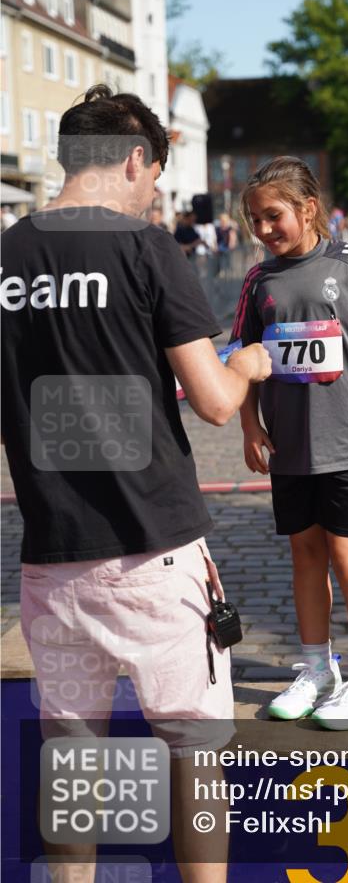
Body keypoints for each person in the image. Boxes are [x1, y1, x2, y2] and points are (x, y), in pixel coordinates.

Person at [0, 84, 272, 883]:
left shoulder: (5, 256)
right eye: (155, 176)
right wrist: (249, 363)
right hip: (151, 553)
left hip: (51, 560)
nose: (156, 194)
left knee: (76, 769)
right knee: (195, 759)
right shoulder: (146, 250)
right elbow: (218, 404)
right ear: (132, 158)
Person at [231, 156, 348, 731]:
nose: (263, 230)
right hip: (290, 449)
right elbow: (242, 360)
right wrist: (251, 427)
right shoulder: (258, 281)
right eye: (254, 221)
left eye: (273, 216)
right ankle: (317, 669)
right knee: (305, 556)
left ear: (308, 209)